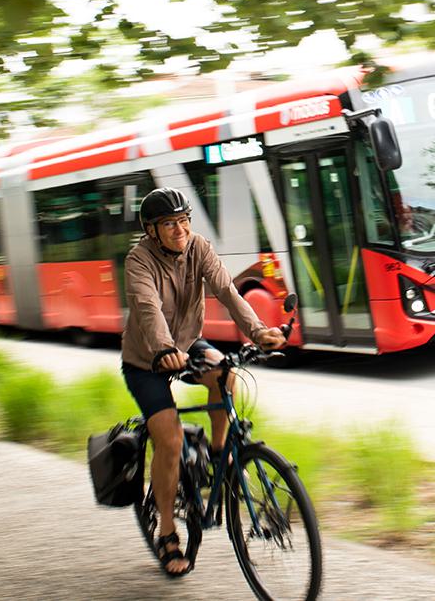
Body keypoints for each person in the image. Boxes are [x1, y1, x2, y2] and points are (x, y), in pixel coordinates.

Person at [120, 187, 285, 577]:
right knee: (171, 440)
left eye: (184, 220)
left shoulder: (199, 248)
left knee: (226, 374)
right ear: (151, 230)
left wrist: (258, 331)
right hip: (147, 359)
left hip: (188, 343)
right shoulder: (138, 260)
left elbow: (228, 291)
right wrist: (162, 349)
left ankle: (217, 455)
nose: (179, 230)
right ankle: (165, 530)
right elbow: (148, 308)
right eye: (168, 224)